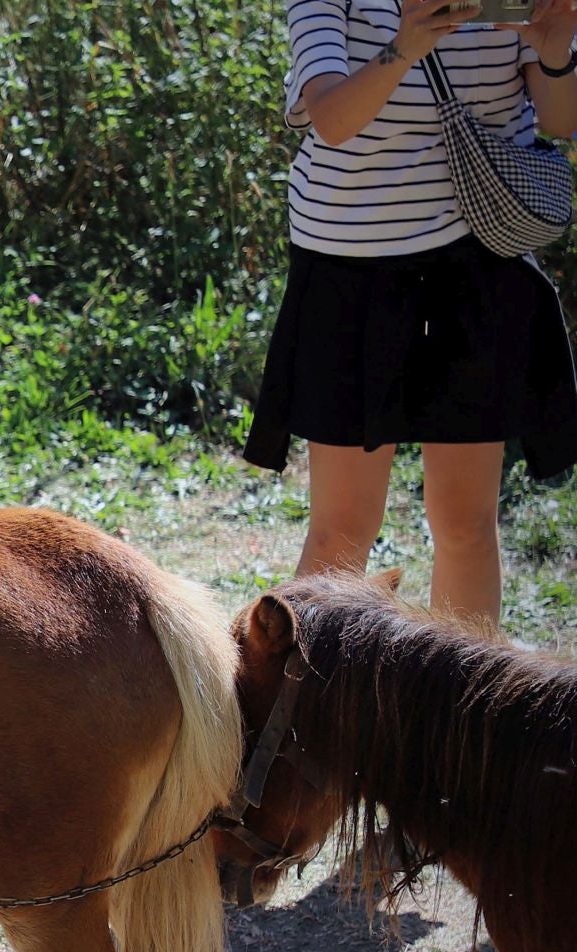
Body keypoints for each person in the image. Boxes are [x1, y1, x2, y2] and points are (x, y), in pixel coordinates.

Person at [245, 0, 577, 623]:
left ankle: (464, 715)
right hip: (351, 273)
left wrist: (557, 49)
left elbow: (562, 119)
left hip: (479, 267)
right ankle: (302, 713)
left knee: (467, 524)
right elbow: (333, 117)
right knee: (341, 530)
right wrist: (407, 45)